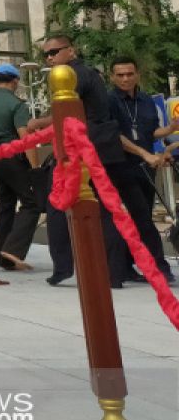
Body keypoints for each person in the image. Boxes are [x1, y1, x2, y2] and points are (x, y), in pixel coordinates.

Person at [27, 34, 129, 286]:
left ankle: (64, 266)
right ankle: (113, 273)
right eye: (46, 54)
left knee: (59, 203)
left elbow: (67, 111)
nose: (50, 58)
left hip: (83, 150)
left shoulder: (73, 75)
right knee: (105, 209)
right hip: (98, 147)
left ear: (70, 51)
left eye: (54, 52)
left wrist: (37, 123)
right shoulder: (87, 73)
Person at [107, 56, 176, 284]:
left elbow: (151, 132)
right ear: (112, 77)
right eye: (120, 75)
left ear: (137, 75)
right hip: (121, 166)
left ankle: (127, 265)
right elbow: (116, 136)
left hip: (145, 166)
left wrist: (170, 129)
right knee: (143, 218)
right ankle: (159, 267)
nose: (125, 79)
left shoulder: (146, 101)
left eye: (129, 74)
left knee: (141, 216)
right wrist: (145, 153)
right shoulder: (108, 101)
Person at [0, 64, 40, 271]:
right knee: (31, 202)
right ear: (14, 81)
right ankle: (14, 249)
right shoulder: (16, 104)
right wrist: (35, 167)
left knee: (5, 204)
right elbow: (25, 138)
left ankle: (5, 259)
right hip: (13, 157)